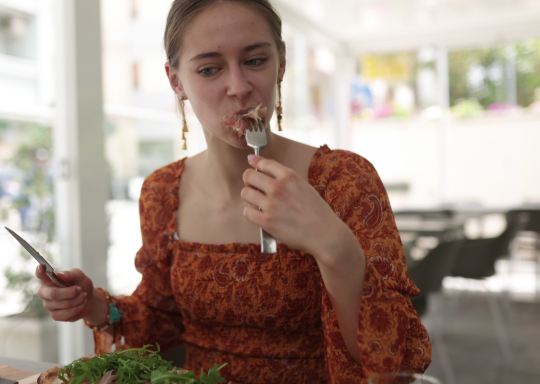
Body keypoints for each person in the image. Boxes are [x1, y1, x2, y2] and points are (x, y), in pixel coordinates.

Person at [35, 1, 431, 382]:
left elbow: (399, 364)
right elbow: (158, 324)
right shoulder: (162, 192)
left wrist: (333, 246)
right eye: (209, 69)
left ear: (282, 63)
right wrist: (95, 306)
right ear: (177, 82)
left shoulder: (344, 179)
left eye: (255, 61)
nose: (239, 88)